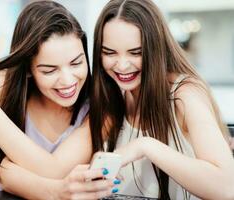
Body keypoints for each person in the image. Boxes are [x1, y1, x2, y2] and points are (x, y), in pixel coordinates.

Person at [0, 1, 118, 199]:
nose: (68, 80)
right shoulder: (3, 89)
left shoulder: (100, 110)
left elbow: (53, 170)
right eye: (49, 70)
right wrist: (55, 190)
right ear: (27, 69)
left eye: (76, 62)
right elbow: (1, 170)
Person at [90, 0, 234, 199]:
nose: (122, 65)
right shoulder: (112, 99)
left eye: (136, 52)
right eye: (109, 52)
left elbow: (227, 188)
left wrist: (145, 146)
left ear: (155, 49)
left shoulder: (184, 94)